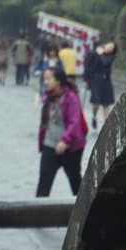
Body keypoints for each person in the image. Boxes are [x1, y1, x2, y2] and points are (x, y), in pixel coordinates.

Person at [35, 66, 87, 197]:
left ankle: (84, 213)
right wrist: (42, 142)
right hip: (50, 146)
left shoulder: (71, 98)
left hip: (71, 148)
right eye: (44, 79)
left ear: (58, 81)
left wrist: (64, 141)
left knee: (75, 182)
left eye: (48, 79)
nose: (45, 82)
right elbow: (44, 123)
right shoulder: (47, 98)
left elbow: (75, 123)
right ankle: (38, 213)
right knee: (43, 184)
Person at [85, 38, 118, 128]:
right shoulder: (96, 52)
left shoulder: (111, 56)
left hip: (106, 81)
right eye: (109, 46)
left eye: (112, 48)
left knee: (106, 104)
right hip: (95, 80)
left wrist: (101, 54)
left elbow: (104, 62)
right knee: (96, 102)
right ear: (106, 44)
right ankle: (94, 116)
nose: (109, 49)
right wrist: (86, 79)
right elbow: (89, 64)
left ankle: (106, 126)